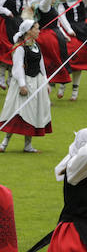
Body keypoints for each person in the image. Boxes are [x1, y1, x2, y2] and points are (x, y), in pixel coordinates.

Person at [0, 20, 52, 153]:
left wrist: (45, 82)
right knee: (18, 112)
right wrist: (22, 85)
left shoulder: (36, 46)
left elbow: (42, 66)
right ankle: (4, 144)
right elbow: (17, 68)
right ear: (29, 31)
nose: (39, 31)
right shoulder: (20, 48)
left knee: (32, 112)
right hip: (24, 83)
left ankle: (28, 145)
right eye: (36, 29)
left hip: (36, 82)